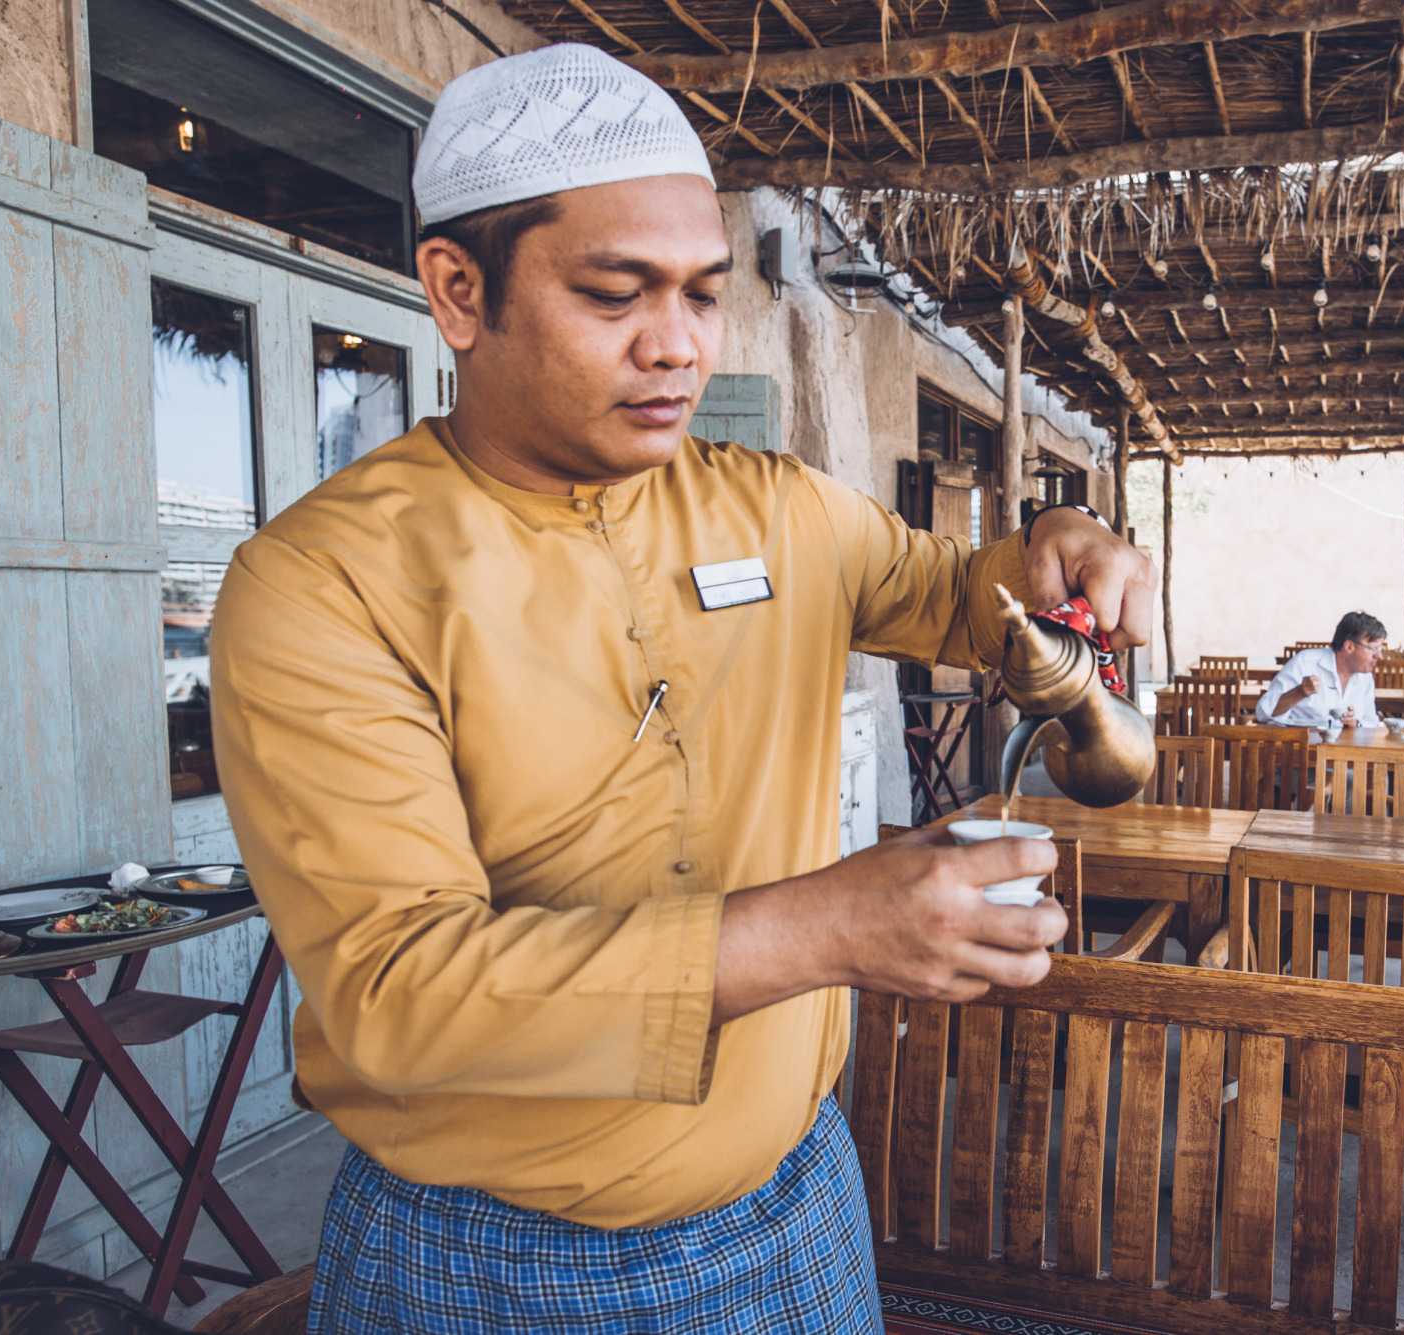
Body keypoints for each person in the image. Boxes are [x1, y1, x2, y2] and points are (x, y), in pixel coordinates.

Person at [206, 45, 1155, 1334]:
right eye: (615, 295)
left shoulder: (777, 510)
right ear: (456, 290)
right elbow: (401, 993)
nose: (678, 348)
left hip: (799, 1198)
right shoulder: (326, 582)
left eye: (704, 296)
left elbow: (962, 593)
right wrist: (826, 929)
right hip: (499, 1262)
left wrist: (1064, 542)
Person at [1255, 611, 1386, 729]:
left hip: (1345, 753)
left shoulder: (1365, 677)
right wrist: (1299, 692)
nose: (1379, 656)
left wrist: (1355, 724)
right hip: (1303, 752)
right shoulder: (1306, 662)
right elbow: (1263, 713)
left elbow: (1371, 722)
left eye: (1380, 649)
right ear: (1349, 646)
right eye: (1373, 649)